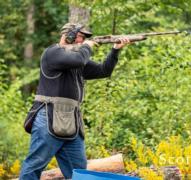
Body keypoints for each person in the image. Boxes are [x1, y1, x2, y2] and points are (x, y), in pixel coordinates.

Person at [19, 23, 130, 180]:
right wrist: (88, 46)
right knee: (34, 165)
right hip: (49, 116)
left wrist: (115, 50)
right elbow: (79, 58)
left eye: (85, 39)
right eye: (81, 37)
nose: (83, 40)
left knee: (79, 172)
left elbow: (104, 70)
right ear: (68, 36)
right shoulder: (53, 53)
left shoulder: (77, 60)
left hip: (72, 120)